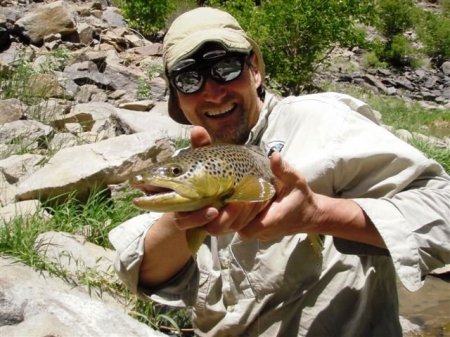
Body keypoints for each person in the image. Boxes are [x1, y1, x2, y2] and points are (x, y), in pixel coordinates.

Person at [109, 7, 450, 337]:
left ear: (254, 69)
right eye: (188, 78)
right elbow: (144, 272)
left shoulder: (323, 123)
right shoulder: (190, 161)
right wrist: (188, 212)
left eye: (226, 67)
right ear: (177, 96)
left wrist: (319, 214)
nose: (212, 92)